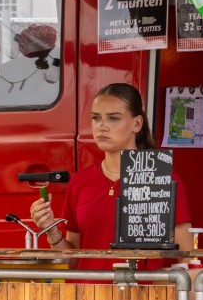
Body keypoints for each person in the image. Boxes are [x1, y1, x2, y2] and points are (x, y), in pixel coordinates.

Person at [30, 82, 192, 272]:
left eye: (113, 118)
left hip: (142, 296)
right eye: (96, 118)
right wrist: (51, 229)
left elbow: (186, 259)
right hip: (86, 295)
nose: (102, 126)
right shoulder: (80, 181)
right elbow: (73, 262)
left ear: (137, 123)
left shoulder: (161, 176)